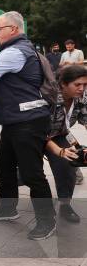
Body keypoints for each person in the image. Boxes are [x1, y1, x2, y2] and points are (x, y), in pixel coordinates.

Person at [0, 11, 57, 240]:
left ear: (13, 30)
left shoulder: (16, 52)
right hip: (15, 120)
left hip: (28, 121)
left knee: (32, 173)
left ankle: (47, 220)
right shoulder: (16, 50)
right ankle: (8, 208)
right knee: (4, 166)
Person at [44, 65, 87, 223]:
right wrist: (57, 150)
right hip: (34, 135)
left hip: (60, 134)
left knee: (67, 166)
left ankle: (65, 205)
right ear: (63, 84)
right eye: (77, 85)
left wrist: (64, 152)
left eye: (85, 84)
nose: (82, 88)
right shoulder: (49, 97)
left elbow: (85, 118)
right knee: (28, 174)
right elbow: (39, 130)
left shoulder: (82, 96)